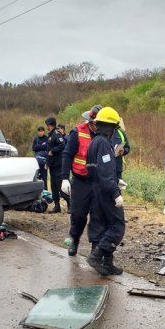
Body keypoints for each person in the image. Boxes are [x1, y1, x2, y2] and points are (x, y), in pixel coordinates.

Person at [85, 107, 126, 276]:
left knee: (104, 225)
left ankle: (108, 263)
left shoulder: (94, 141)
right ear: (110, 127)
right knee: (117, 226)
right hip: (105, 192)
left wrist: (115, 181)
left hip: (96, 191)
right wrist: (115, 193)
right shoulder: (103, 143)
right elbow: (105, 172)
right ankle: (96, 256)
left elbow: (96, 170)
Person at [61, 105, 101, 256]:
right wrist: (65, 178)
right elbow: (67, 155)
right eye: (95, 123)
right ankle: (74, 239)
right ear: (90, 120)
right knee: (78, 215)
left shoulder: (106, 134)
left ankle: (95, 248)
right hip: (80, 181)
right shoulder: (77, 132)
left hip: (98, 182)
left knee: (97, 216)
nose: (97, 126)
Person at [45, 117, 67, 213]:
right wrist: (47, 163)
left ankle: (70, 204)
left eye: (48, 125)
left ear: (52, 125)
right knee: (53, 186)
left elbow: (62, 145)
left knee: (60, 185)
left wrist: (53, 151)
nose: (47, 127)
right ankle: (57, 206)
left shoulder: (56, 134)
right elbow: (48, 151)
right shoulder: (50, 135)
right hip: (52, 165)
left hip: (58, 164)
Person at [31, 126, 49, 191]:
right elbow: (33, 148)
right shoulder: (36, 139)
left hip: (44, 161)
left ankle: (46, 192)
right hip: (37, 161)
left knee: (44, 177)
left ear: (44, 131)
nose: (40, 132)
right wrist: (42, 146)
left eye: (42, 131)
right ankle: (38, 192)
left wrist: (38, 147)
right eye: (39, 131)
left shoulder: (47, 138)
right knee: (37, 177)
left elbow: (47, 147)